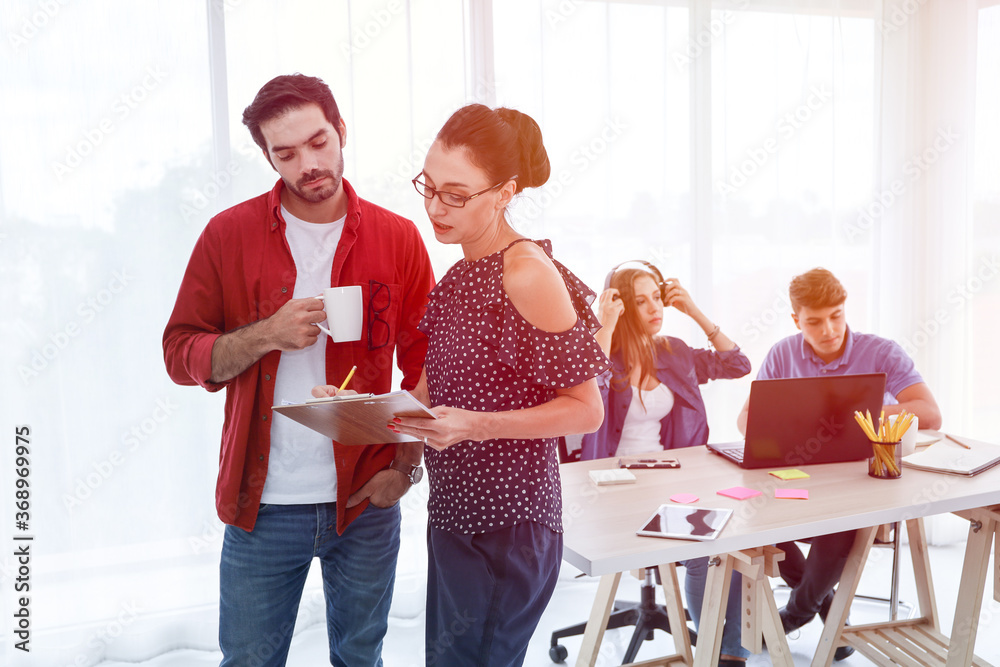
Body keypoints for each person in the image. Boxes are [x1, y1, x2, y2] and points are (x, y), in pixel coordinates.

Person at [162, 74, 436, 667]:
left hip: (365, 500)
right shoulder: (227, 234)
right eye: (286, 154)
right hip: (261, 507)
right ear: (267, 156)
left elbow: (428, 367)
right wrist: (267, 334)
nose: (308, 164)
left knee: (361, 658)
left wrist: (405, 471)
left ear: (341, 131)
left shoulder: (398, 237)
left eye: (318, 143)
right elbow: (180, 354)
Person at [364, 103, 606, 666]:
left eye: (456, 194)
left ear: (504, 193)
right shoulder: (455, 276)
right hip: (453, 517)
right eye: (428, 186)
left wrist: (476, 425)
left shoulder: (526, 273)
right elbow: (425, 395)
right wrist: (356, 410)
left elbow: (585, 409)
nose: (434, 207)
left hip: (509, 526)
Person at [736, 267, 942, 661]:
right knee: (753, 509)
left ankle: (794, 614)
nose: (829, 329)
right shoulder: (782, 352)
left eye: (836, 316)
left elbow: (930, 414)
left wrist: (864, 410)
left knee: (840, 526)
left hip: (857, 484)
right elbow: (746, 420)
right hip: (797, 474)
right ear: (796, 320)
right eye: (814, 321)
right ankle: (832, 617)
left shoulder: (880, 351)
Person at [580, 262, 752, 667]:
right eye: (641, 301)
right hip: (615, 487)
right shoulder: (606, 353)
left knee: (740, 537)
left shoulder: (672, 351)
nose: (654, 307)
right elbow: (588, 381)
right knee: (700, 549)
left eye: (657, 297)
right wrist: (604, 323)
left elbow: (737, 365)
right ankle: (714, 646)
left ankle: (729, 654)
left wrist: (694, 311)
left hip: (671, 476)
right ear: (621, 307)